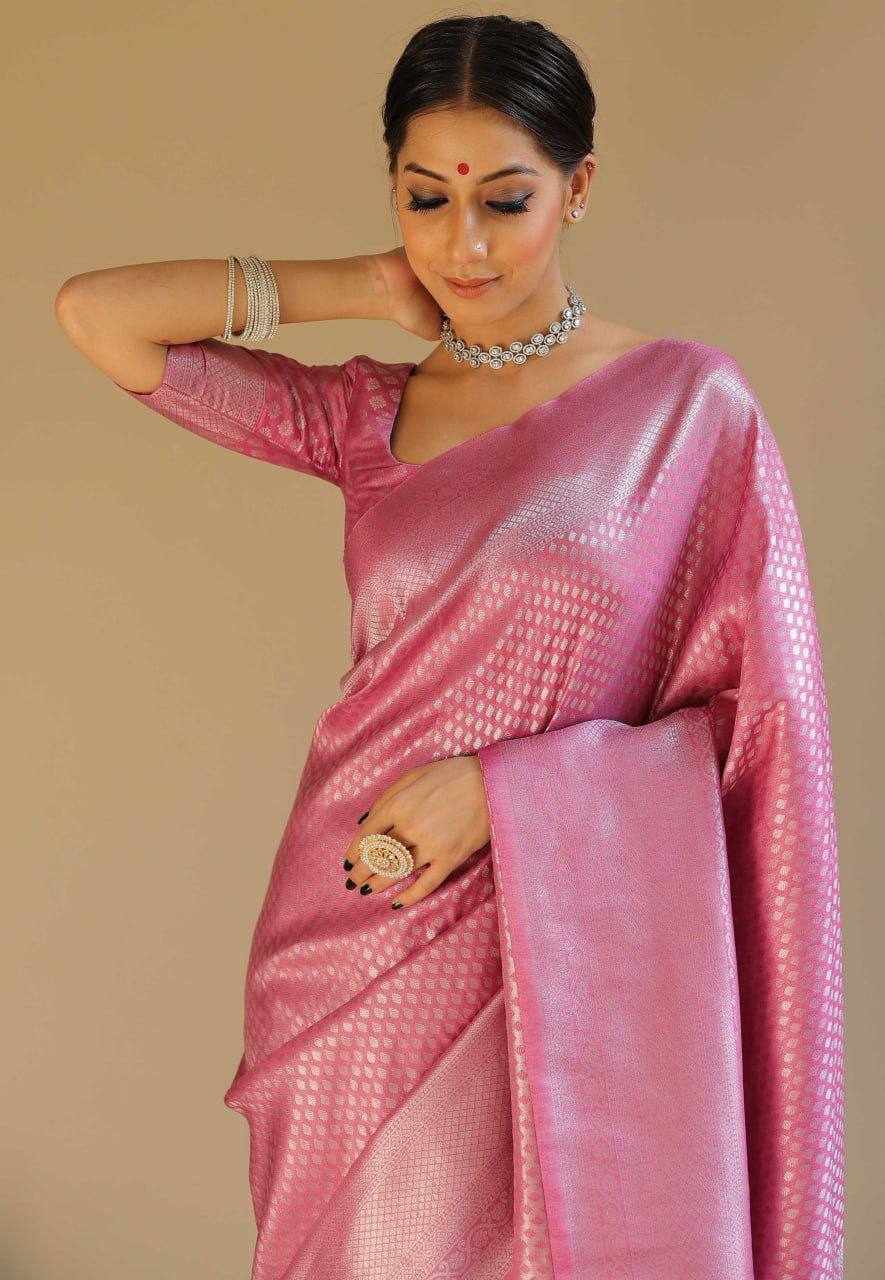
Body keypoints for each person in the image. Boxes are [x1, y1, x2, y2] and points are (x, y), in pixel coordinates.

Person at [54, 14, 844, 1280]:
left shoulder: (689, 408)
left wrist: (507, 790)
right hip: (354, 932)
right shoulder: (370, 414)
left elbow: (755, 722)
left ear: (579, 186)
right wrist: (363, 285)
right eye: (428, 198)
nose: (465, 244)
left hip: (564, 941)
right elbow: (99, 317)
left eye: (506, 200)